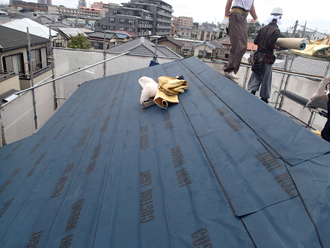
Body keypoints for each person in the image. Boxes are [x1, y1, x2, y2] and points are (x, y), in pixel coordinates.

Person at [247, 7, 283, 103]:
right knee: (266, 77)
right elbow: (270, 45)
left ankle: (252, 91)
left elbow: (255, 41)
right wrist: (278, 48)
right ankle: (264, 97)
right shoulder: (276, 30)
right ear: (280, 17)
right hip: (267, 57)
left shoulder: (263, 28)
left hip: (258, 55)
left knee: (256, 73)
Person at [221, 0, 260, 80]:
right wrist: (226, 17)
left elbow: (250, 5)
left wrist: (255, 18)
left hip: (243, 17)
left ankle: (230, 70)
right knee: (240, 45)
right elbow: (229, 1)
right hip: (236, 15)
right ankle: (229, 70)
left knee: (240, 45)